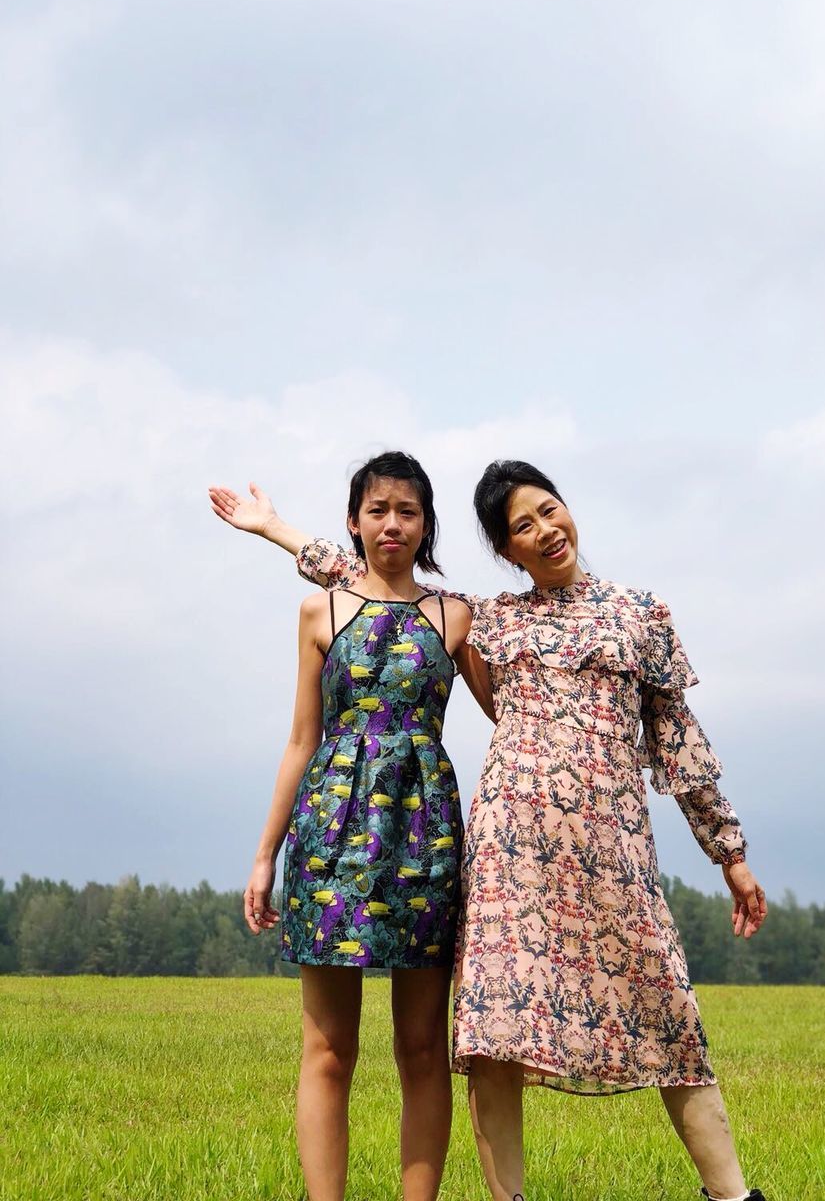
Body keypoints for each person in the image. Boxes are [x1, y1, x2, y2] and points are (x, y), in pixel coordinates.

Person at [209, 460, 768, 1201]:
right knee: (493, 1032)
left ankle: (732, 1196)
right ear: (507, 551)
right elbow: (378, 585)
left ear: (570, 508)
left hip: (611, 848)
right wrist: (276, 529)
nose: (544, 531)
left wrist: (728, 851)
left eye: (548, 511)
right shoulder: (495, 618)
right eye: (522, 527)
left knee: (666, 1006)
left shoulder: (638, 613)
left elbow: (680, 743)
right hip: (508, 855)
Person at [232, 452, 487, 1201]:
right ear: (354, 522)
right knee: (329, 1049)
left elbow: (513, 716)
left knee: (420, 1047)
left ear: (426, 525)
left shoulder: (455, 615)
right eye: (377, 510)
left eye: (408, 512)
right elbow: (301, 740)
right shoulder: (323, 610)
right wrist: (262, 855)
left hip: (425, 838)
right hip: (329, 838)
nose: (392, 525)